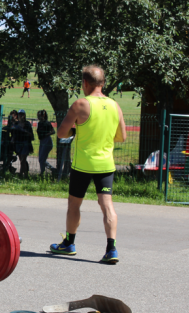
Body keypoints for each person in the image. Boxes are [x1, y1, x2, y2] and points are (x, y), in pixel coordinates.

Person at [50, 65, 127, 264]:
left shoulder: (80, 104)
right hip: (106, 164)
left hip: (83, 164)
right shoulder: (115, 105)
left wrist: (76, 131)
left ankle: (69, 244)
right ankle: (111, 249)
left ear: (85, 83)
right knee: (107, 205)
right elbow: (122, 137)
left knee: (74, 204)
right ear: (103, 83)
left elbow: (61, 133)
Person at [12, 109, 34, 176]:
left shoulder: (27, 124)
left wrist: (24, 131)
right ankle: (25, 174)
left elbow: (31, 135)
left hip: (25, 143)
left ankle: (21, 174)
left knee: (23, 160)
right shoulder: (16, 124)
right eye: (19, 114)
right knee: (21, 159)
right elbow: (14, 134)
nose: (20, 116)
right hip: (18, 143)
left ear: (24, 115)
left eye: (22, 114)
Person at [36, 110, 55, 174]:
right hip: (42, 141)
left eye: (39, 116)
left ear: (43, 116)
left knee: (42, 159)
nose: (38, 117)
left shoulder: (47, 123)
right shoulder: (39, 123)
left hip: (47, 141)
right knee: (41, 159)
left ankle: (43, 172)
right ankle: (52, 169)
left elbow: (53, 131)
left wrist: (46, 134)